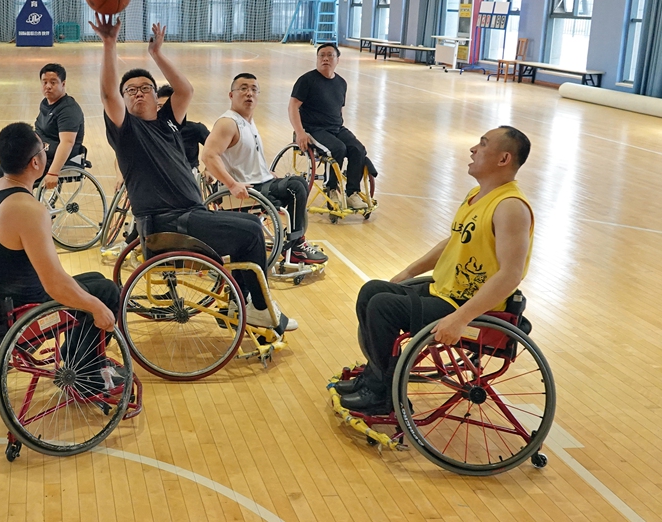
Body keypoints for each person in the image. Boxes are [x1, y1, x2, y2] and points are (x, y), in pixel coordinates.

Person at [96, 15, 296, 332]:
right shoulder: (126, 132)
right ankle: (258, 307)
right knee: (251, 233)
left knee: (250, 224)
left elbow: (185, 89)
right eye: (130, 90)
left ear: (154, 96)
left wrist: (157, 53)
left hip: (190, 214)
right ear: (123, 99)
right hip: (167, 222)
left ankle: (240, 302)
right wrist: (109, 44)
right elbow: (108, 95)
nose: (138, 93)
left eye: (145, 88)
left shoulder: (168, 122)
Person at [337, 127, 534, 414]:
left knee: (382, 307)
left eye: (482, 144)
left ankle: (383, 395)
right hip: (447, 291)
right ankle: (376, 377)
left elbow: (511, 274)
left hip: (472, 307)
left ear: (503, 158)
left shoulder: (510, 207)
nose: (473, 149)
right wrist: (407, 272)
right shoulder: (477, 196)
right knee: (373, 291)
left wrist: (460, 318)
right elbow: (454, 242)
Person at [0, 122, 121, 386]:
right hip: (16, 312)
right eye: (44, 148)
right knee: (105, 293)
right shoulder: (28, 210)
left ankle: (76, 357)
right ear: (36, 163)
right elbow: (55, 284)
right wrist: (95, 307)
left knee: (93, 278)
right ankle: (86, 378)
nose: (47, 152)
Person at [200, 73, 328, 266]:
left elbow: (242, 157)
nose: (249, 93)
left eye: (253, 89)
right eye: (243, 88)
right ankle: (297, 246)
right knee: (296, 186)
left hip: (260, 183)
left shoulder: (248, 121)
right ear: (231, 95)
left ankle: (295, 243)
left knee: (297, 183)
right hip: (244, 193)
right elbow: (209, 155)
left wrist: (267, 173)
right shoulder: (228, 123)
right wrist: (232, 184)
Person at [289, 43, 372, 209]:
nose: (325, 58)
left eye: (330, 55)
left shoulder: (341, 83)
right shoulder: (306, 80)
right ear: (317, 59)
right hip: (313, 129)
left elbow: (338, 109)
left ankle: (352, 193)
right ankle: (331, 189)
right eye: (321, 55)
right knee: (338, 149)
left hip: (336, 128)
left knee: (358, 149)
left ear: (337, 60)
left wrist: (339, 129)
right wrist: (300, 132)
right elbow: (293, 106)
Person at [34, 63, 86, 194]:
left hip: (58, 161)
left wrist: (53, 172)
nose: (48, 86)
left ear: (63, 84)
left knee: (5, 173)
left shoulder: (68, 110)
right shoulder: (45, 103)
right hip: (42, 155)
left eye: (53, 82)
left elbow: (67, 143)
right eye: (44, 82)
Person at [156, 85, 209, 171]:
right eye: (160, 107)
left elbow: (217, 150)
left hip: (188, 174)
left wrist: (209, 169)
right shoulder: (149, 131)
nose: (163, 111)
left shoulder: (196, 129)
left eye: (168, 107)